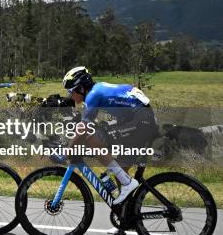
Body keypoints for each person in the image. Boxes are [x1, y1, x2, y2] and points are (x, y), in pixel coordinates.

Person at [63, 66, 158, 208]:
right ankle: (125, 217)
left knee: (90, 137)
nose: (70, 96)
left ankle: (127, 183)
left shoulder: (93, 95)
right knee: (120, 169)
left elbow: (84, 129)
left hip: (141, 121)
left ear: (81, 88)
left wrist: (68, 149)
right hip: (141, 119)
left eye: (70, 91)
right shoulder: (99, 88)